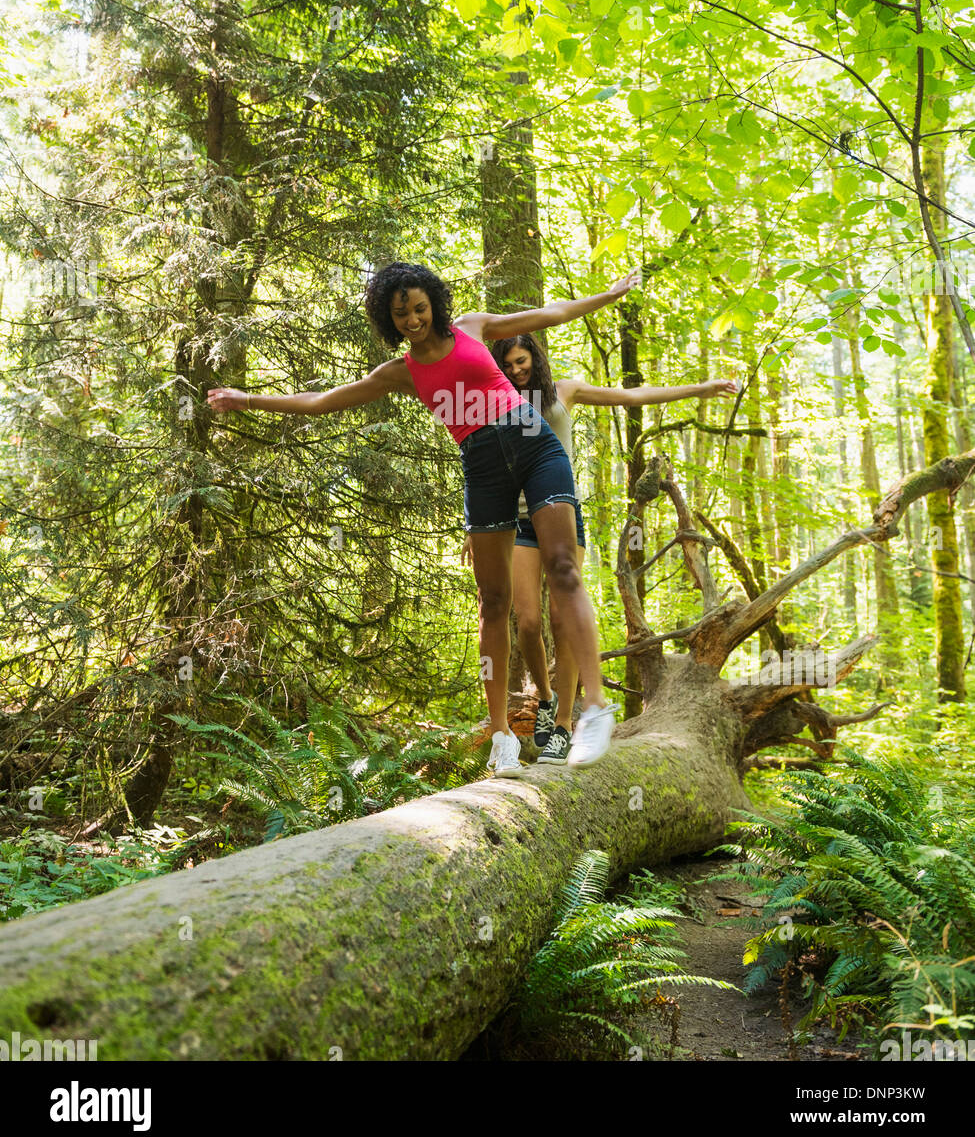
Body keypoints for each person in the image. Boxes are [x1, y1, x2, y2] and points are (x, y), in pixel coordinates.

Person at [206, 262, 641, 778]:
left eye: (418, 307)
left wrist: (608, 296)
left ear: (433, 302)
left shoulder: (474, 328)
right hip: (481, 465)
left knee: (564, 567)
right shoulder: (401, 372)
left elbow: (552, 313)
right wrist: (246, 398)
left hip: (533, 443)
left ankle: (593, 708)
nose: (413, 319)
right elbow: (322, 402)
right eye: (400, 313)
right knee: (494, 601)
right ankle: (501, 732)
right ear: (388, 319)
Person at [470, 332, 738, 763]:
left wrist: (701, 388)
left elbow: (631, 396)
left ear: (534, 358)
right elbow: (486, 468)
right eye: (508, 366)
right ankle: (544, 701)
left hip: (558, 513)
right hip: (516, 519)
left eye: (522, 362)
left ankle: (563, 725)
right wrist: (476, 530)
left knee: (562, 618)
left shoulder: (564, 393)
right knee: (527, 623)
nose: (517, 371)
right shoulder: (496, 403)